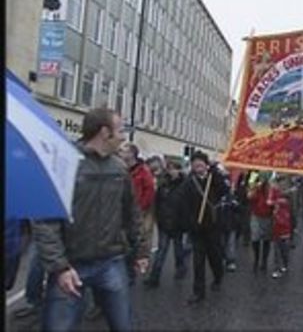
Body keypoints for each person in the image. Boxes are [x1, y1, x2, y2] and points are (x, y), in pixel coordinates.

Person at [32, 108, 149, 331]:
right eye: (121, 129)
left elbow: (132, 213)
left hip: (111, 262)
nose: (124, 136)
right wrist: (59, 267)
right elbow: (46, 222)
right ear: (105, 132)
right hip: (71, 266)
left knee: (123, 325)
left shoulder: (120, 168)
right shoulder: (65, 163)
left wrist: (141, 250)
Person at [173, 151, 229, 304]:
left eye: (201, 163)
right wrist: (189, 222)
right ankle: (198, 292)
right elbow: (181, 203)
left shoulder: (214, 178)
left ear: (206, 164)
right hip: (196, 228)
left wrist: (216, 173)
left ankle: (218, 277)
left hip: (213, 226)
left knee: (214, 257)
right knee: (198, 261)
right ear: (192, 166)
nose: (198, 166)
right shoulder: (188, 183)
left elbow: (225, 190)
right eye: (195, 164)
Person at [144, 160, 188, 288]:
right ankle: (154, 278)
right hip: (164, 222)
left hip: (178, 223)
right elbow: (157, 201)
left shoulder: (185, 184)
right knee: (161, 251)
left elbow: (187, 205)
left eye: (174, 168)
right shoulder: (164, 184)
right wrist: (158, 217)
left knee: (178, 249)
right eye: (169, 168)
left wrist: (185, 221)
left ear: (179, 170)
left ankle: (180, 268)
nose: (172, 171)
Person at [119, 142, 156, 286]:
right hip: (121, 211)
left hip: (136, 210)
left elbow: (149, 190)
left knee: (134, 238)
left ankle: (130, 270)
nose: (120, 153)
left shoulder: (142, 171)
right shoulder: (120, 168)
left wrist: (139, 207)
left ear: (132, 154)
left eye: (124, 151)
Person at [267, 176, 293, 279]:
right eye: (280, 182)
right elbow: (269, 202)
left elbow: (294, 207)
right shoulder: (274, 191)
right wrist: (275, 203)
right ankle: (276, 268)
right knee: (276, 248)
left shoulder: (290, 193)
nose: (282, 184)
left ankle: (285, 264)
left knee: (284, 248)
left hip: (286, 224)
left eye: (283, 182)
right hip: (276, 223)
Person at [247, 173, 273, 272]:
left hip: (268, 216)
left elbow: (274, 199)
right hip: (256, 215)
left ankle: (264, 261)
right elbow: (249, 196)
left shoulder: (270, 187)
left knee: (267, 239)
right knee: (255, 238)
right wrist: (255, 187)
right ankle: (256, 259)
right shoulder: (254, 183)